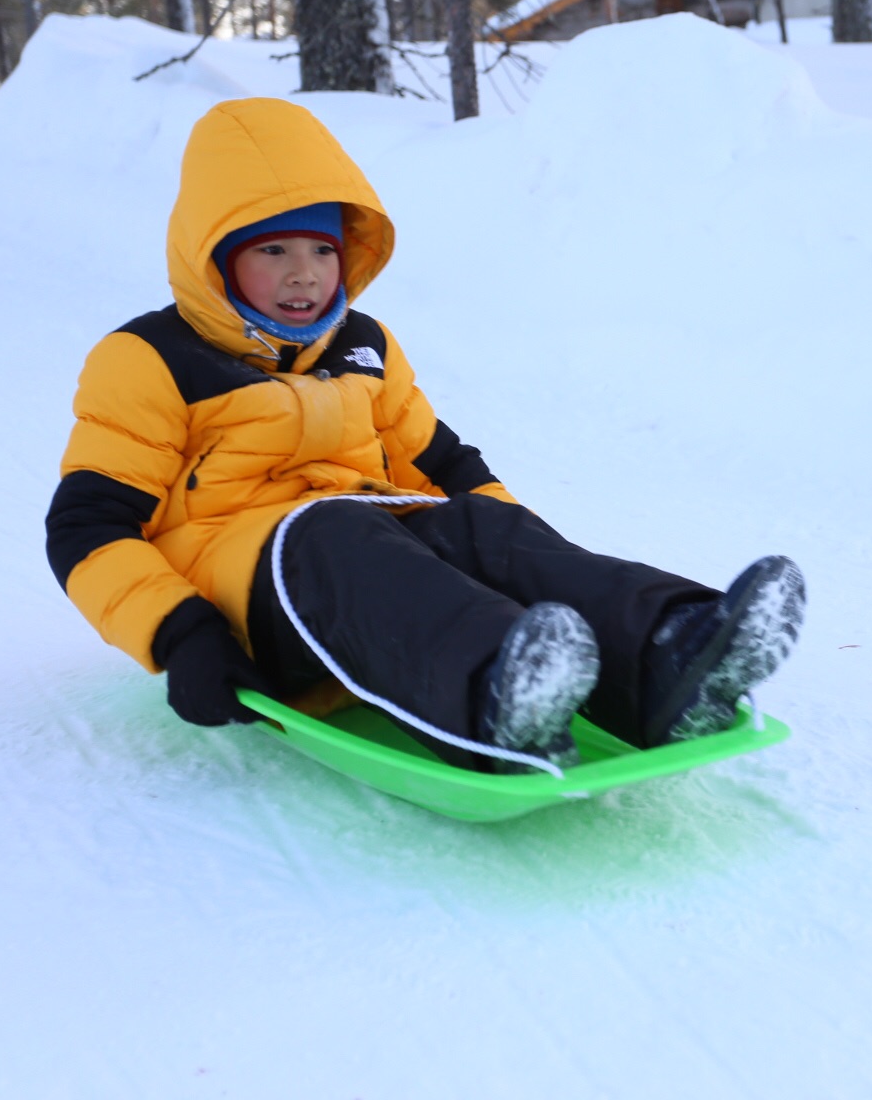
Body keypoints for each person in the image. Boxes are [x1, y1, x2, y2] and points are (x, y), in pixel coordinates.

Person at [45, 97, 804, 773]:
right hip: (254, 594)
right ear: (214, 260)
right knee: (336, 532)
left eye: (320, 250)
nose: (303, 274)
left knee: (474, 521)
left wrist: (529, 553)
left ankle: (671, 654)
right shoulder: (149, 359)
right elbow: (86, 529)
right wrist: (181, 635)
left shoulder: (363, 344)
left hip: (375, 554)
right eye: (273, 251)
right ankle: (497, 695)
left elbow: (442, 461)